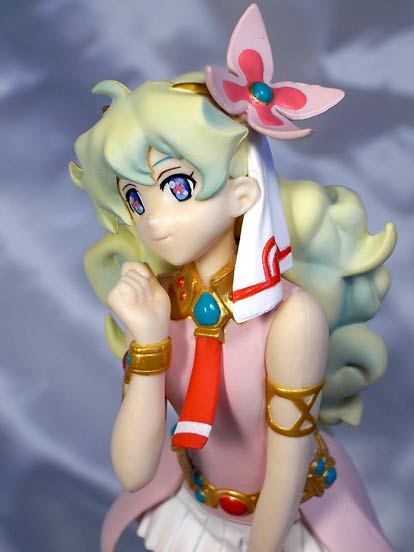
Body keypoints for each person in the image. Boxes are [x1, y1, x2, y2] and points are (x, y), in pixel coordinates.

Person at [70, 5, 396, 551]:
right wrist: (148, 343)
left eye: (177, 187)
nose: (152, 220)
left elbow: (286, 472)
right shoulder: (160, 304)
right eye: (135, 199)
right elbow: (133, 470)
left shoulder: (292, 318)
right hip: (195, 508)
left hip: (285, 525)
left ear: (242, 193)